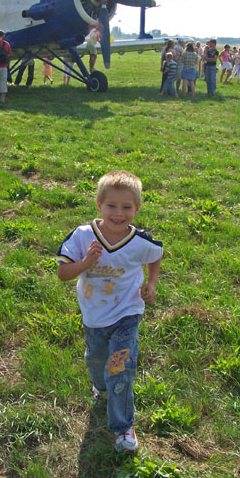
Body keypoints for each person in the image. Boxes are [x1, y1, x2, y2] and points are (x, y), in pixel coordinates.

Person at [57, 170, 162, 453]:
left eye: (127, 207)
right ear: (99, 205)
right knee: (96, 360)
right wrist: (87, 261)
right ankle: (100, 389)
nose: (119, 213)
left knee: (119, 370)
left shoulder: (141, 241)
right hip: (94, 317)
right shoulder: (82, 236)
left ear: (137, 209)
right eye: (111, 206)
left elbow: (156, 255)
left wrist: (151, 283)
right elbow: (63, 273)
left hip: (127, 315)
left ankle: (122, 427)